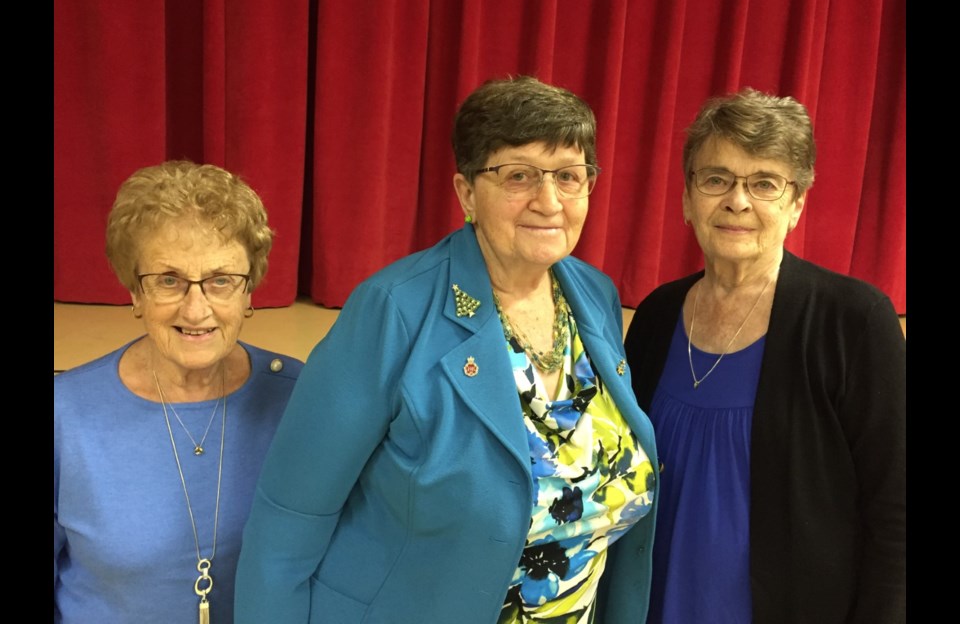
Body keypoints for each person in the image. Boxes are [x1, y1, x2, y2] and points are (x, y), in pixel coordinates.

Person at [234, 76, 659, 624]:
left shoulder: (594, 295)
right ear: (465, 194)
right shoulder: (394, 309)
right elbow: (288, 518)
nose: (548, 200)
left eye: (568, 176)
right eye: (519, 175)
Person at [623, 88, 906, 623]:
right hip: (650, 608)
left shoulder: (854, 322)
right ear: (687, 198)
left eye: (765, 184)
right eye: (716, 179)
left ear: (797, 203)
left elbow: (896, 515)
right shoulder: (657, 316)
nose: (737, 200)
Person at [54, 161, 304, 623]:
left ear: (249, 292)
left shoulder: (301, 400)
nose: (196, 309)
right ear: (135, 290)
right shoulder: (63, 414)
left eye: (221, 281)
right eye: (168, 280)